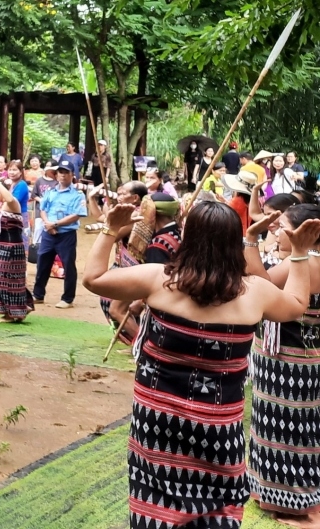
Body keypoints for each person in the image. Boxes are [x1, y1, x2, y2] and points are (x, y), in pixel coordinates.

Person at [83, 200, 319, 529]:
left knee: (154, 502)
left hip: (156, 422)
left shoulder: (158, 279)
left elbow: (93, 279)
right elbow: (295, 306)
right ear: (233, 242)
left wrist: (109, 230)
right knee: (218, 508)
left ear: (187, 235)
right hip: (218, 427)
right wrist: (299, 253)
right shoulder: (254, 293)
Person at [243, 204, 320, 524]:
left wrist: (250, 238)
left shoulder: (306, 262)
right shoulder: (303, 260)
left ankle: (297, 505)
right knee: (282, 426)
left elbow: (260, 283)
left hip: (291, 362)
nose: (276, 231)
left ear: (304, 234)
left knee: (290, 431)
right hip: (289, 358)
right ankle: (274, 493)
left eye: (282, 227)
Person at [96, 181, 149, 341]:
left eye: (122, 193)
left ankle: (140, 345)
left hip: (135, 269)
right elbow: (101, 219)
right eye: (118, 193)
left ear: (134, 198)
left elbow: (114, 234)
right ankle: (131, 341)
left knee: (117, 310)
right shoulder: (131, 212)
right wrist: (94, 200)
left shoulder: (138, 214)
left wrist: (112, 218)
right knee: (109, 301)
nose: (119, 196)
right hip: (125, 266)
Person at [33, 159, 87, 309]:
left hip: (66, 235)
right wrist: (48, 224)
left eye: (66, 172)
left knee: (68, 265)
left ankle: (67, 298)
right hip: (48, 233)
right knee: (42, 262)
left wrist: (55, 224)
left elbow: (77, 214)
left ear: (72, 175)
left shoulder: (78, 195)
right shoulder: (50, 192)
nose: (62, 175)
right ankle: (38, 295)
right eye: (60, 172)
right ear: (56, 175)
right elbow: (43, 209)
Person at [0, 178, 32, 322]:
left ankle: (11, 314)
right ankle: (20, 309)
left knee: (3, 281)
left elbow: (9, 197)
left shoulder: (13, 202)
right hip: (6, 247)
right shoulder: (3, 205)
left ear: (0, 190)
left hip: (11, 248)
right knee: (8, 280)